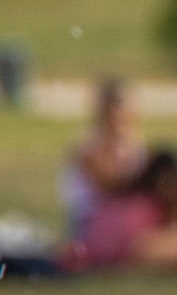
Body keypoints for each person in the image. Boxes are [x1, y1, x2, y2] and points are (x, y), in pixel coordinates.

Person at [61, 77, 150, 237]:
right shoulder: (89, 146)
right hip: (91, 221)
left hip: (119, 218)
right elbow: (110, 187)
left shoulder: (133, 143)